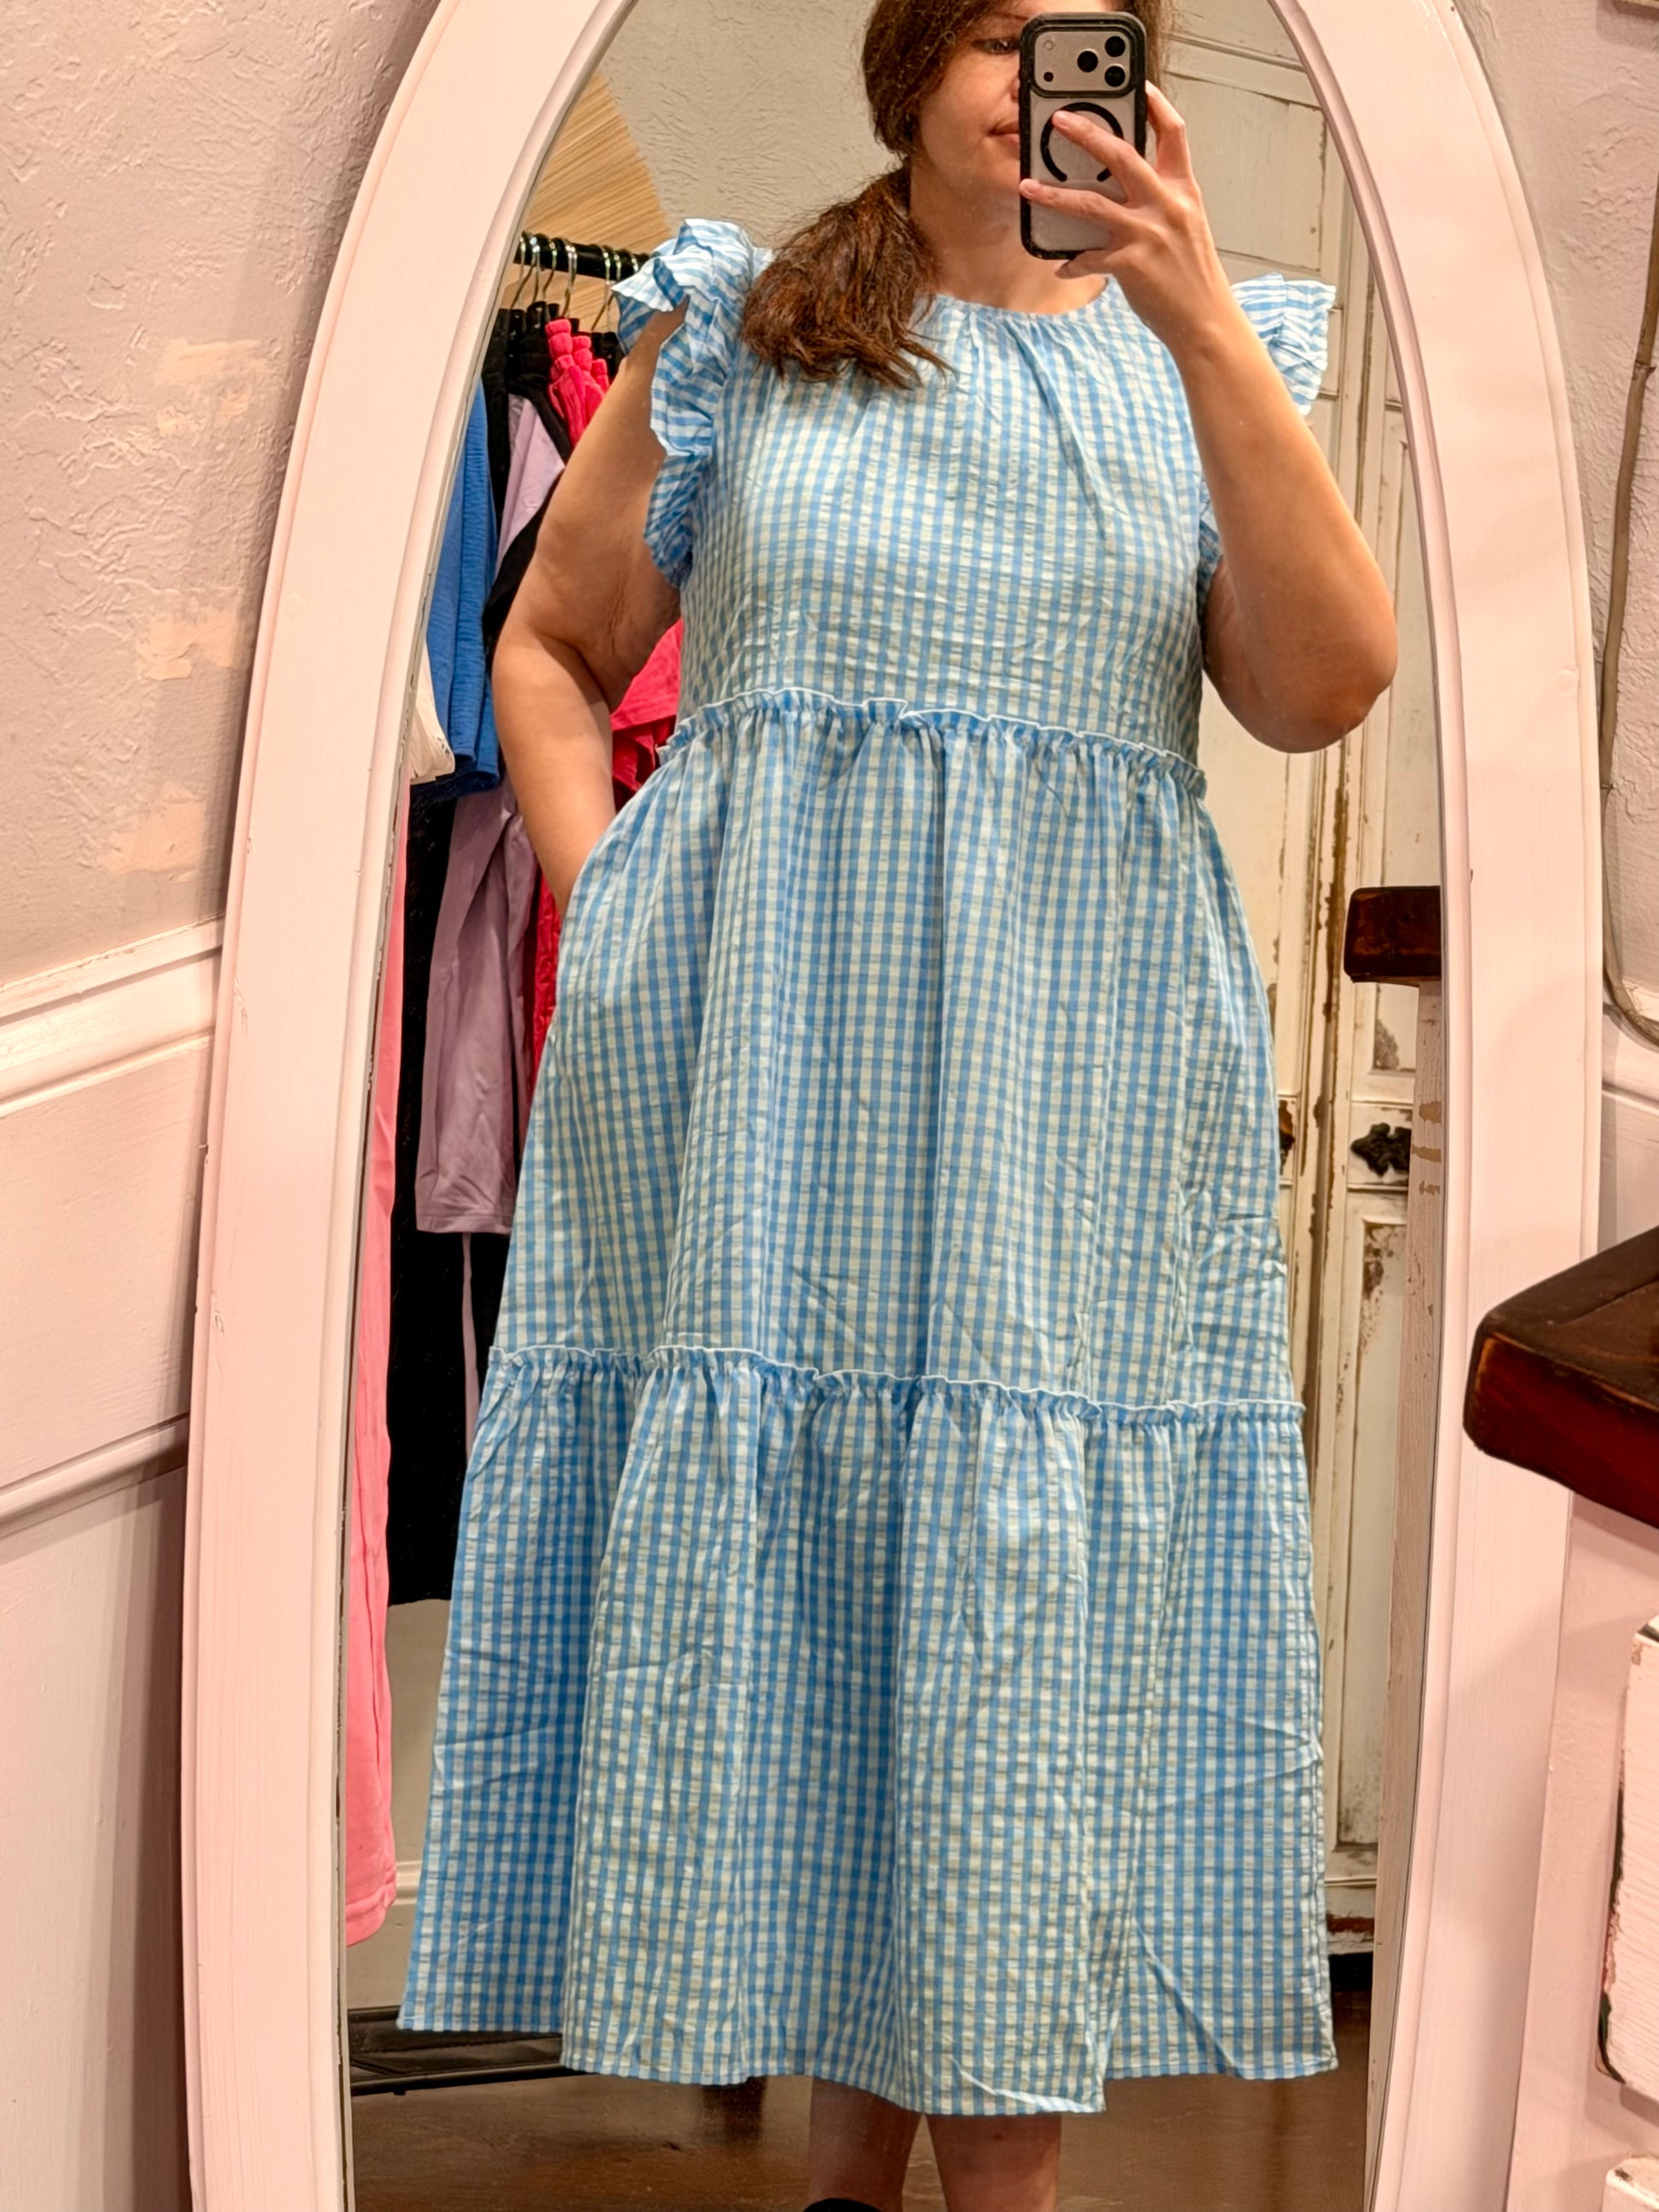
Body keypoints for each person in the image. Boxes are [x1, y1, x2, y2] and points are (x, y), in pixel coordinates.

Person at [399, 0, 1398, 2207]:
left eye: (1088, 38)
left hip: (1072, 1091)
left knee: (1006, 1596)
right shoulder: (746, 332)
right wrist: (615, 900)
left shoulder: (1209, 358)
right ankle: (858, 2180)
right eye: (1003, 33)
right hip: (765, 1078)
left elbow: (1326, 680)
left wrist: (1195, 317)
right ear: (913, 64)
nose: (1048, 81)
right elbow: (548, 650)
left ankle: (983, 2191)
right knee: (844, 1586)